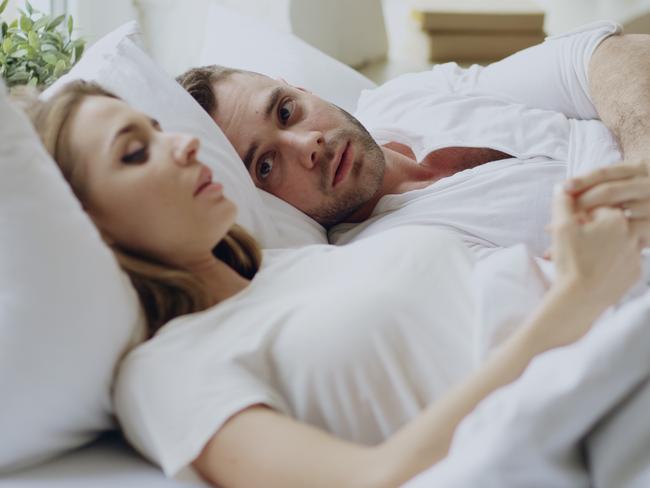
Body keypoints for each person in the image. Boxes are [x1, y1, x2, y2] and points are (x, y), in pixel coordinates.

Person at [29, 80, 646, 488]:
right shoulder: (165, 370)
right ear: (82, 224)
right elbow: (369, 479)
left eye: (159, 128)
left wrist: (582, 261)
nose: (186, 144)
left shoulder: (302, 258)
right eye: (135, 152)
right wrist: (571, 303)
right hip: (584, 402)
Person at [177, 21, 650, 258]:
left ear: (302, 89)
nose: (308, 144)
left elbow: (604, 55)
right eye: (265, 165)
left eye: (285, 111)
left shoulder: (403, 98)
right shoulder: (401, 252)